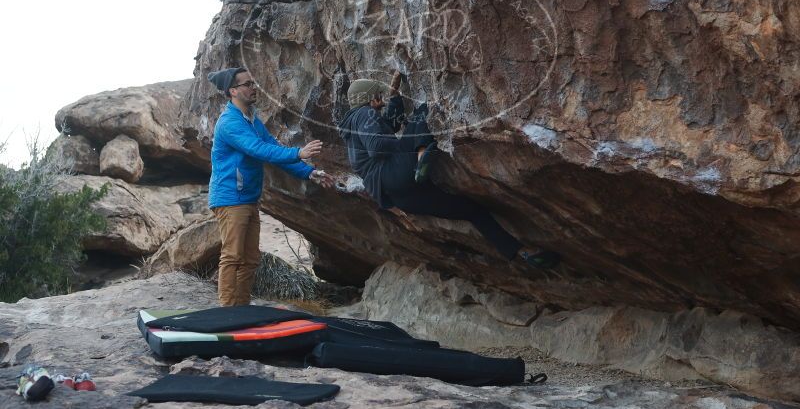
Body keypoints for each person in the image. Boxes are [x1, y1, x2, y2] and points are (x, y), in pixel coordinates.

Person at [338, 71, 559, 269]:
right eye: (378, 95)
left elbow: (390, 125)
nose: (380, 99)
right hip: (394, 173)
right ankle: (421, 155)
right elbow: (377, 146)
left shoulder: (355, 125)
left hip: (400, 196)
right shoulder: (365, 114)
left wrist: (395, 94)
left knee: (472, 211)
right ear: (368, 98)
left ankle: (522, 252)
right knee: (423, 111)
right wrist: (406, 146)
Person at [207, 67, 334, 306]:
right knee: (233, 256)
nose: (254, 87)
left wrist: (309, 172)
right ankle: (226, 311)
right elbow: (258, 149)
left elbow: (272, 149)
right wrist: (299, 152)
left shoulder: (252, 119)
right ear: (233, 91)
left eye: (253, 83)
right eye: (247, 84)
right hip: (230, 199)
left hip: (248, 198)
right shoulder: (229, 123)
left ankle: (240, 308)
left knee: (251, 259)